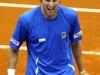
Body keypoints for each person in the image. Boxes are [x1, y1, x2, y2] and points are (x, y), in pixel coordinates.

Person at [8, 0, 89, 75]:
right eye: (47, 0)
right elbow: (13, 48)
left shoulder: (71, 16)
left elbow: (75, 43)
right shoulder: (26, 20)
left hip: (65, 72)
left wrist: (82, 70)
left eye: (54, 0)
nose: (51, 4)